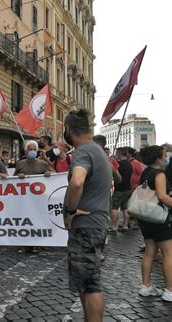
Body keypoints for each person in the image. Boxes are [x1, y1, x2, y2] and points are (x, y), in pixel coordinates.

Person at [63, 109, 111, 322]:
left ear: (68, 129)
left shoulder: (82, 152)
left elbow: (77, 181)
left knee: (91, 284)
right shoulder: (97, 150)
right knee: (86, 282)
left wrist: (71, 210)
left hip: (87, 226)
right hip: (96, 224)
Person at [136, 145, 172, 301]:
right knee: (168, 254)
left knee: (149, 252)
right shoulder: (159, 174)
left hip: (146, 218)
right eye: (164, 155)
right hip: (159, 218)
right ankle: (169, 290)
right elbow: (162, 196)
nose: (166, 158)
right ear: (158, 158)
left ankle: (146, 286)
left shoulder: (146, 172)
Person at [15, 140, 52, 254]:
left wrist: (48, 173)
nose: (32, 151)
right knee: (26, 221)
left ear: (37, 151)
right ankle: (26, 244)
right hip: (24, 200)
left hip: (39, 200)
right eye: (30, 149)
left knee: (37, 220)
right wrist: (18, 176)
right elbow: (13, 178)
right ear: (26, 151)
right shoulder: (20, 163)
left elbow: (54, 174)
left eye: (34, 149)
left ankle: (37, 243)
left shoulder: (42, 163)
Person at [110, 147, 133, 232]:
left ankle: (113, 226)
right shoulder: (129, 164)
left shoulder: (118, 164)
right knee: (125, 207)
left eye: (117, 153)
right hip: (128, 188)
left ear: (119, 154)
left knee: (114, 207)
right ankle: (125, 225)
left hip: (119, 189)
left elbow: (115, 175)